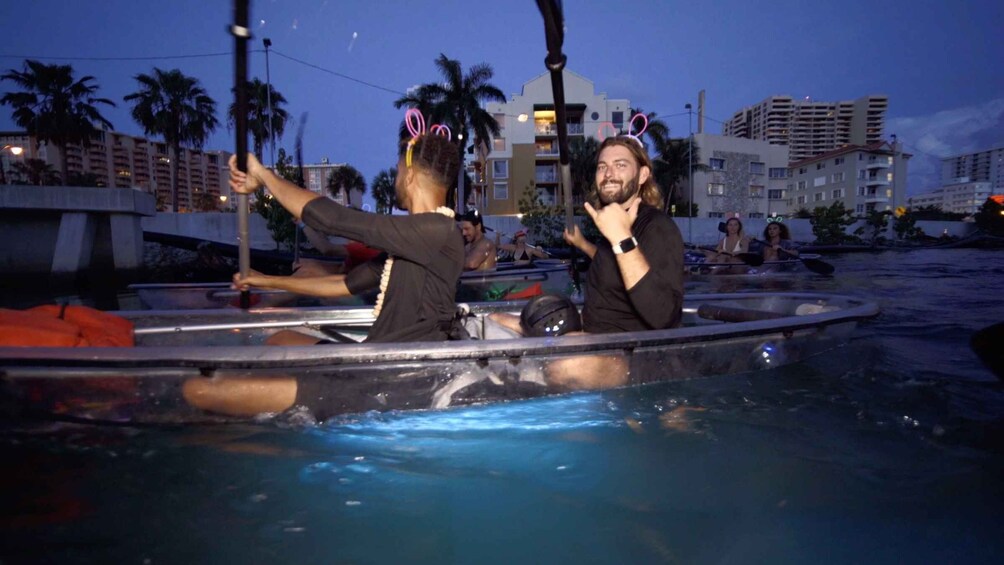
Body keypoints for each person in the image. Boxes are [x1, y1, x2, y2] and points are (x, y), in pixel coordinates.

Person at [182, 118, 463, 416]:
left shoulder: (438, 231)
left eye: (397, 171)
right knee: (281, 339)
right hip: (374, 355)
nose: (395, 178)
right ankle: (250, 402)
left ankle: (247, 409)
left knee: (196, 390)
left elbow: (332, 219)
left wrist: (264, 176)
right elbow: (343, 284)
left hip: (389, 379)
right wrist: (267, 280)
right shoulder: (419, 238)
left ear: (409, 175)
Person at [487, 136, 684, 390]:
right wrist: (583, 244)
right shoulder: (613, 225)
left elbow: (665, 316)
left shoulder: (657, 227)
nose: (609, 173)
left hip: (636, 357)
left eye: (621, 165)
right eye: (602, 167)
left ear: (643, 174)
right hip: (592, 337)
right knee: (493, 319)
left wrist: (623, 239)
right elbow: (613, 267)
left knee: (567, 365)